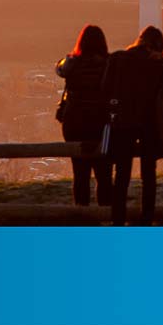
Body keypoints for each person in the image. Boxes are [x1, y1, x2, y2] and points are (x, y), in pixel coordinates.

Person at [101, 25, 163, 225]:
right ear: (159, 45)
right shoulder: (161, 65)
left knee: (121, 175)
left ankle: (117, 220)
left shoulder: (117, 59)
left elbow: (106, 90)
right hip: (149, 124)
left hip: (121, 123)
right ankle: (146, 219)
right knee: (148, 175)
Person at [54, 24, 113, 207]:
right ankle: (105, 214)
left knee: (80, 174)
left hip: (74, 124)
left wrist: (70, 57)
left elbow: (58, 68)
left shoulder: (72, 64)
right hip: (100, 125)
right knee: (104, 174)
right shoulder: (109, 64)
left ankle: (82, 218)